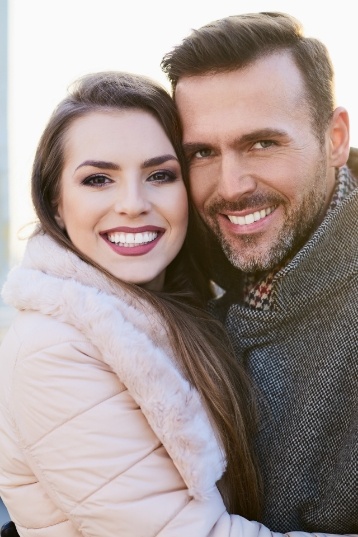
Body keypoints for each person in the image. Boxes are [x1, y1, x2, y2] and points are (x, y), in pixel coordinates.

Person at [1, 70, 334, 537]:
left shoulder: (184, 310)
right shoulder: (53, 349)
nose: (133, 203)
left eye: (160, 174)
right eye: (98, 179)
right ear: (56, 203)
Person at [161, 11, 358, 536]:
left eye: (262, 144)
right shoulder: (171, 284)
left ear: (334, 138)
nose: (230, 186)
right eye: (203, 152)